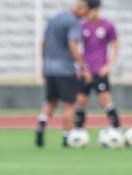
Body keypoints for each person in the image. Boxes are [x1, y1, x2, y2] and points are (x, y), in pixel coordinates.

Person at [35, 0, 91, 148]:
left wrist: (44, 64)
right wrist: (83, 66)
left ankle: (41, 126)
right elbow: (72, 45)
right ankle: (67, 138)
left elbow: (43, 43)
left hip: (49, 67)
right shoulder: (73, 22)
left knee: (50, 101)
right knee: (69, 104)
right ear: (81, 8)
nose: (85, 16)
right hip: (65, 69)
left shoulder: (54, 19)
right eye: (86, 12)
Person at [75, 0, 120, 130]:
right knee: (81, 100)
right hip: (86, 71)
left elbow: (115, 46)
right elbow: (76, 47)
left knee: (105, 99)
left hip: (100, 70)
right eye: (90, 10)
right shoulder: (82, 26)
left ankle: (116, 129)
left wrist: (108, 66)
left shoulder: (108, 26)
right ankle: (79, 130)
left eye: (94, 9)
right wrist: (82, 67)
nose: (92, 13)